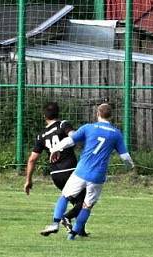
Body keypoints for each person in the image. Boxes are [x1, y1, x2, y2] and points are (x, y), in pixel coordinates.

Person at [48, 102, 134, 240]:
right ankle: (72, 235)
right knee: (87, 206)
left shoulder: (89, 128)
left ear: (97, 114)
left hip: (81, 172)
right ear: (111, 116)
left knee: (65, 196)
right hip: (97, 176)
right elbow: (125, 157)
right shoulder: (116, 134)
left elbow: (70, 141)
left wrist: (55, 149)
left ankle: (55, 223)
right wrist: (131, 166)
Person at [23, 102, 86, 236]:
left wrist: (28, 180)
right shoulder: (63, 124)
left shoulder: (41, 136)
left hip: (55, 174)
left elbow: (32, 159)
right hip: (71, 170)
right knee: (85, 201)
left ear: (44, 116)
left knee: (75, 200)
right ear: (58, 113)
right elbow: (73, 136)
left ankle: (78, 230)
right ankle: (64, 221)